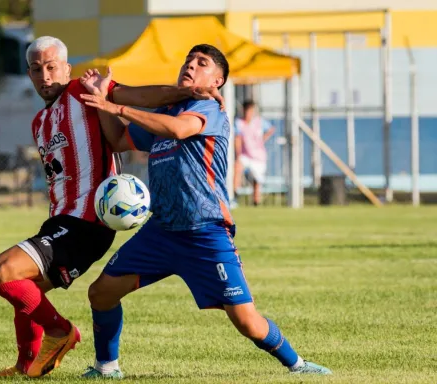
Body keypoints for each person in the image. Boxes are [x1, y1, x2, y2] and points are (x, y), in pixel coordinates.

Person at [78, 44, 332, 379]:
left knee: (247, 322)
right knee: (101, 293)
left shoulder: (209, 107)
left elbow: (178, 130)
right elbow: (117, 139)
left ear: (218, 81)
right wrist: (101, 103)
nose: (191, 65)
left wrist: (116, 104)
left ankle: (298, 365)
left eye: (202, 63)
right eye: (188, 60)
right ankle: (106, 368)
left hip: (206, 232)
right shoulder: (166, 110)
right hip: (161, 232)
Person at [0, 36, 225, 378]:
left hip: (87, 224)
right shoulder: (39, 123)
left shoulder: (81, 92)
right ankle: (26, 367)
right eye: (37, 70)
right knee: (27, 290)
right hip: (59, 222)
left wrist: (187, 93)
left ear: (66, 69)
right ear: (29, 74)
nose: (46, 76)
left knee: (3, 270)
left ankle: (63, 332)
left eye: (52, 67)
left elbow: (138, 95)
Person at [233, 100, 275, 207]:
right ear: (244, 111)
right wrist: (238, 155)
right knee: (237, 168)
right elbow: (237, 139)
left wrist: (263, 139)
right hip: (245, 155)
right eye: (247, 111)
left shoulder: (259, 122)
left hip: (258, 157)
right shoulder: (239, 122)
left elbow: (271, 129)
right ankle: (234, 196)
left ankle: (256, 202)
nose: (249, 113)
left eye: (251, 111)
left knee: (257, 182)